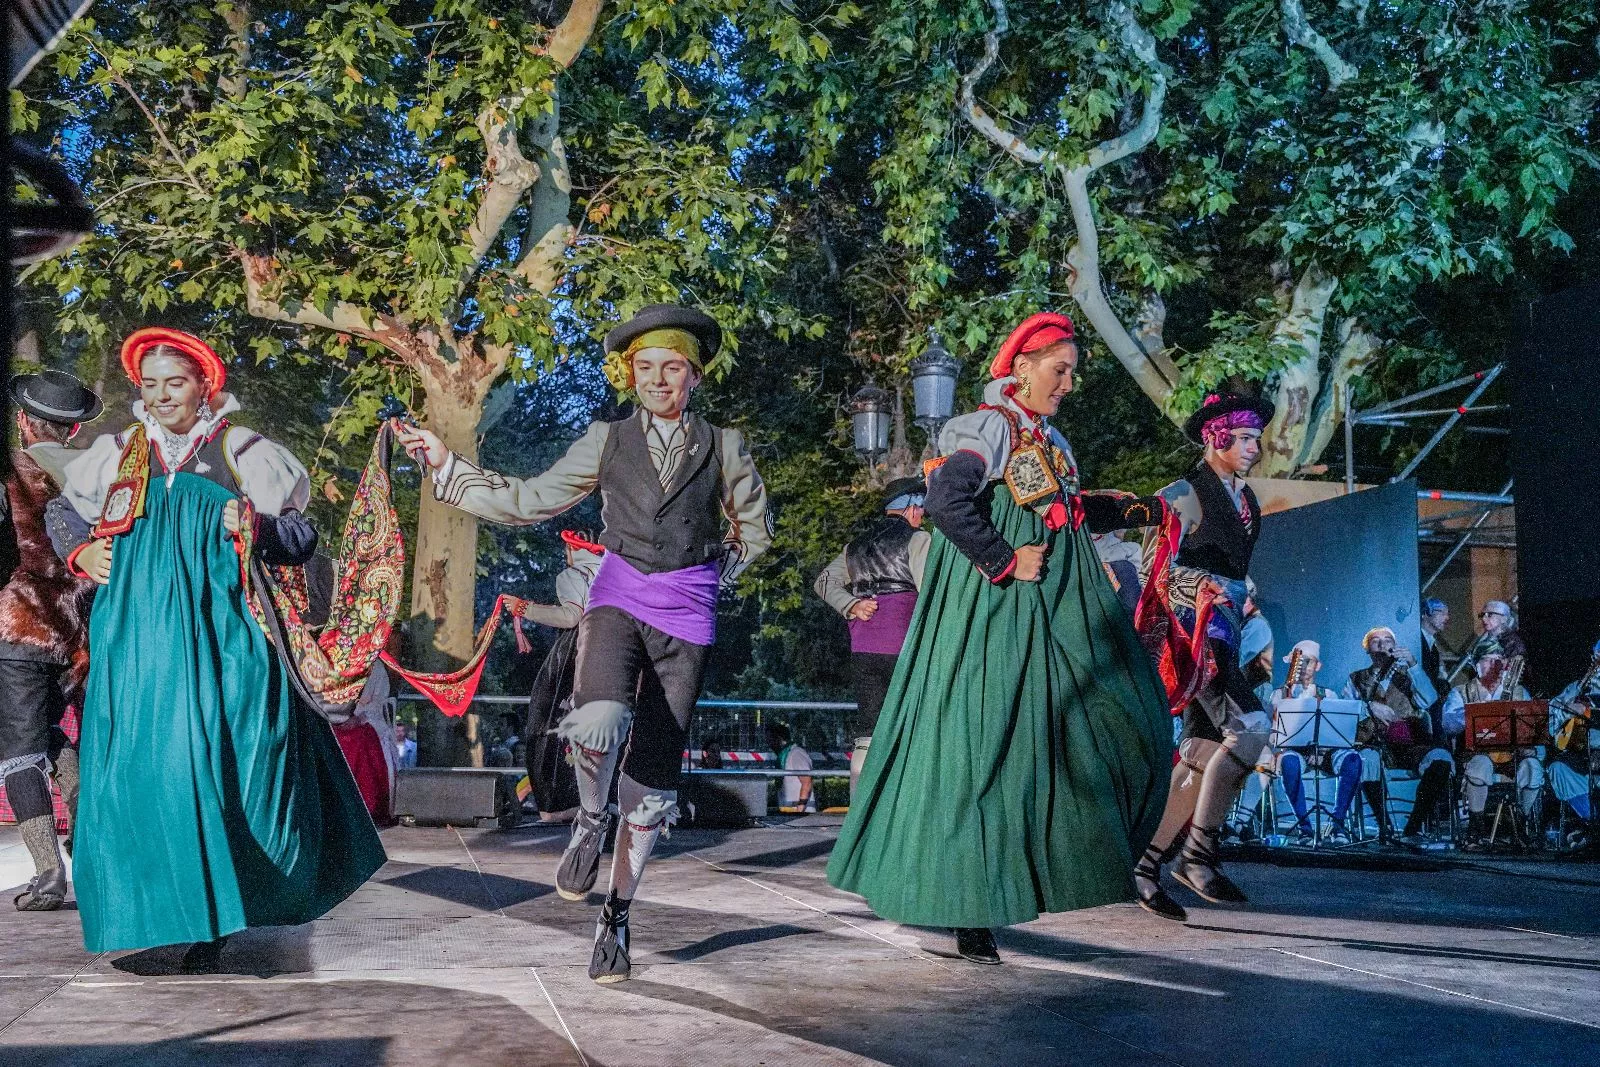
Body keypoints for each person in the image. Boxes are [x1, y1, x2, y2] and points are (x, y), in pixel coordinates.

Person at [395, 304, 771, 984]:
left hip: (688, 613)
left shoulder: (726, 445)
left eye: (673, 367)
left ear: (694, 375)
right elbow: (531, 498)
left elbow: (755, 530)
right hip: (618, 594)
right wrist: (448, 467)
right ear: (631, 374)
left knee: (652, 780)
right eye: (645, 367)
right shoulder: (606, 439)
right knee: (597, 716)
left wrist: (717, 575)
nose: (658, 379)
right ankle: (591, 818)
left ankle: (616, 914)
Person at [826, 312, 1171, 965]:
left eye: (1072, 371)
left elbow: (1065, 509)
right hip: (991, 609)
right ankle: (969, 904)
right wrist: (1005, 559)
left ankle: (1070, 859)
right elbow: (947, 501)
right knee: (982, 745)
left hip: (1048, 611)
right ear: (1021, 368)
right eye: (1058, 370)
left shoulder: (1049, 438)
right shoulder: (988, 427)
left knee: (1111, 715)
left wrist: (1139, 508)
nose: (1068, 383)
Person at [54, 327, 385, 970]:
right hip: (140, 639)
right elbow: (63, 513)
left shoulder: (241, 450)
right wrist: (81, 552)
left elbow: (300, 538)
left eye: (175, 382)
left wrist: (256, 527)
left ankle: (228, 908)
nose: (161, 396)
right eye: (150, 384)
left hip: (224, 632)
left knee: (234, 761)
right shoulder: (121, 452)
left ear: (204, 384)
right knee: (142, 770)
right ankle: (160, 910)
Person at [1132, 389, 1275, 921]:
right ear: (1216, 438)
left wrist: (1239, 597)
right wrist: (1200, 590)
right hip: (1195, 633)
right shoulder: (1180, 493)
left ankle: (1145, 866)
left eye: (1256, 438)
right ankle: (1198, 853)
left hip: (1227, 631)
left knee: (1200, 750)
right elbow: (1153, 571)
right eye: (1244, 438)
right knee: (1252, 729)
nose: (1254, 447)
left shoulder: (1247, 500)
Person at [0, 369, 101, 911]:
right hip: (77, 632)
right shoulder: (93, 475)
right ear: (71, 429)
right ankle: (86, 838)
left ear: (23, 421)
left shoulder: (11, 474)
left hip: (18, 627)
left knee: (17, 748)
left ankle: (47, 872)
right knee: (48, 733)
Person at [813, 477, 930, 797]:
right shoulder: (918, 539)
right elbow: (927, 591)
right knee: (911, 725)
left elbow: (823, 582)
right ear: (910, 507)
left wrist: (851, 605)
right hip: (903, 645)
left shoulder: (855, 546)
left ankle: (860, 807)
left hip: (863, 647)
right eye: (920, 507)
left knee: (868, 730)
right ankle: (905, 805)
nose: (922, 514)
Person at [521, 529, 605, 821]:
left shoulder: (571, 576)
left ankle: (558, 801)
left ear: (573, 549)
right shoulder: (610, 574)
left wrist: (527, 609)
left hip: (576, 650)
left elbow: (571, 616)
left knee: (549, 717)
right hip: (611, 646)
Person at [1343, 627, 1453, 843]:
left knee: (1441, 759)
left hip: (1408, 743)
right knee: (1367, 760)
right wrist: (1369, 706)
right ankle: (1384, 826)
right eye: (1376, 641)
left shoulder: (1408, 675)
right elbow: (1346, 710)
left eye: (1387, 640)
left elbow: (1429, 699)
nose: (1382, 644)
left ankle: (1413, 827)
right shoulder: (1356, 678)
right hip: (1373, 743)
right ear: (1367, 649)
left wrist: (1413, 664)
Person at [1260, 641, 1366, 845]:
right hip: (1295, 751)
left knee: (1353, 760)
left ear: (1317, 666)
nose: (1302, 665)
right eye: (1298, 661)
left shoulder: (1329, 695)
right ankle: (1305, 829)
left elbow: (1336, 732)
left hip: (1325, 752)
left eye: (1308, 661)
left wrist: (1325, 747)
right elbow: (1273, 734)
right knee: (1289, 763)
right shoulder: (1279, 694)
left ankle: (1337, 824)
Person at [1443, 653, 1531, 845]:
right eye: (1488, 659)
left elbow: (1531, 725)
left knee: (1533, 768)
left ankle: (1519, 822)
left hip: (1512, 758)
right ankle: (1476, 825)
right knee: (1480, 765)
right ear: (1476, 665)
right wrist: (1479, 711)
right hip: (1476, 755)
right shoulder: (1461, 692)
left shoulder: (1518, 692)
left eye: (1499, 659)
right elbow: (1448, 725)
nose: (1494, 664)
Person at [768, 721, 815, 814]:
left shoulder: (796, 754)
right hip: (789, 810)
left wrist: (800, 808)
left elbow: (807, 782)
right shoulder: (784, 756)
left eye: (770, 740)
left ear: (779, 739)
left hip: (800, 812)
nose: (769, 744)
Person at [1418, 598, 1452, 726]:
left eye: (1447, 614)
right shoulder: (1417, 640)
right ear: (1426, 613)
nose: (1446, 618)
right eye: (1442, 613)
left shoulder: (1432, 644)